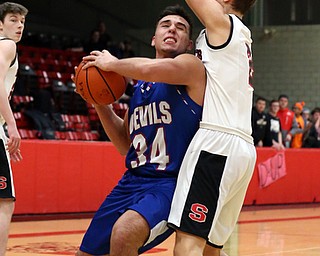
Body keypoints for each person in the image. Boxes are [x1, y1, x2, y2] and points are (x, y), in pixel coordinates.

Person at [76, 5, 206, 256]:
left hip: (170, 185)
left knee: (125, 232)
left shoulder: (191, 67)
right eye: (165, 24)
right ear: (153, 38)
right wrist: (99, 103)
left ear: (189, 44)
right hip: (131, 181)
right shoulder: (140, 89)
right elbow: (127, 146)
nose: (172, 29)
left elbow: (147, 68)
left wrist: (113, 63)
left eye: (180, 27)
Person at [167, 1, 257, 256]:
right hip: (242, 149)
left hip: (217, 143)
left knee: (188, 245)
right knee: (210, 249)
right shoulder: (239, 35)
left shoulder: (223, 25)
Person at [0, 2, 28, 255]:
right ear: (0, 23)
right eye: (13, 19)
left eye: (22, 21)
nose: (19, 25)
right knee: (4, 201)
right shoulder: (7, 45)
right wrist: (11, 125)